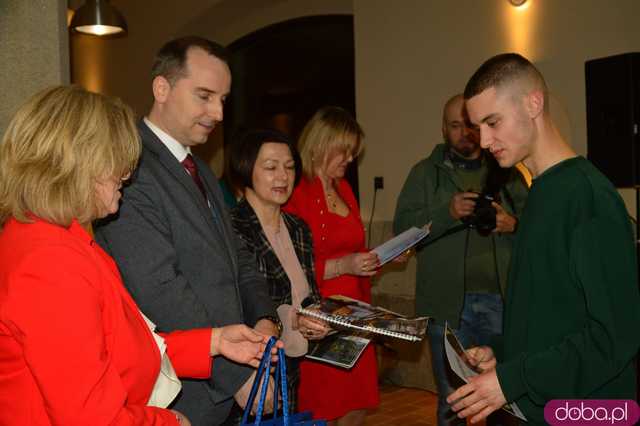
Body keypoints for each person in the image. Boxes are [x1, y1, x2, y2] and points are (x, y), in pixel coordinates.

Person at [0, 85, 276, 426]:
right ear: (80, 164)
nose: (127, 176)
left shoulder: (59, 240)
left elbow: (120, 350)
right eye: (118, 162)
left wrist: (214, 342)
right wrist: (172, 423)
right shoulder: (50, 262)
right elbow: (89, 417)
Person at [94, 36, 281, 425]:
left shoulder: (198, 168)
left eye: (223, 100)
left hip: (227, 372)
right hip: (188, 390)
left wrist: (264, 319)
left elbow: (237, 257)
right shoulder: (132, 165)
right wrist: (236, 376)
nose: (217, 112)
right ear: (162, 88)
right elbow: (158, 286)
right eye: (204, 95)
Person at [447, 53, 640, 425]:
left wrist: (513, 379)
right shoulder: (540, 193)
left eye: (492, 122)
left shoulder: (587, 196)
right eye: (478, 127)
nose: (484, 140)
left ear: (533, 102)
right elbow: (554, 317)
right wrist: (503, 356)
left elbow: (614, 337)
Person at [393, 94, 528, 425]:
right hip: (448, 308)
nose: (464, 132)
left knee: (506, 403)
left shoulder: (506, 170)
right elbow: (402, 234)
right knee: (454, 403)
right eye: (455, 125)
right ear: (443, 129)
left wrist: (513, 225)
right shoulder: (425, 174)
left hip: (503, 302)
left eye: (469, 124)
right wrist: (447, 213)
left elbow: (540, 229)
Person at [284, 106, 380, 426]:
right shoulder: (295, 192)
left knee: (357, 401)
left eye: (353, 153)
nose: (350, 159)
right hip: (320, 315)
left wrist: (373, 259)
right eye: (345, 151)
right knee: (323, 406)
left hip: (355, 313)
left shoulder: (346, 191)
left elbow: (354, 248)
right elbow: (294, 265)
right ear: (321, 144)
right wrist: (346, 264)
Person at [228, 128, 330, 412]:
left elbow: (309, 292)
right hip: (250, 362)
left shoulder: (299, 228)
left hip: (293, 358)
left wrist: (317, 315)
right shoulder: (231, 228)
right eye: (271, 167)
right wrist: (291, 318)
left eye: (289, 167)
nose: (283, 177)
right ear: (246, 170)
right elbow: (236, 301)